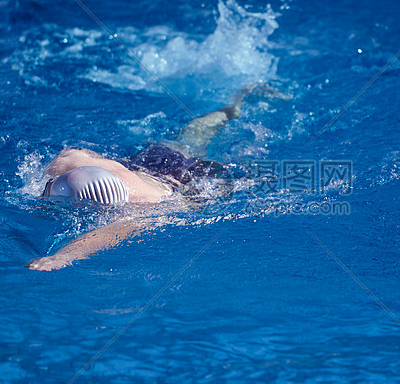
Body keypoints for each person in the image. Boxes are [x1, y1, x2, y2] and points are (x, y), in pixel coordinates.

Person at [27, 83, 278, 271]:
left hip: (178, 177)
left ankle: (238, 102)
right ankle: (233, 104)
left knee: (213, 173)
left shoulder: (142, 204)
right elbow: (69, 155)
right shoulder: (71, 162)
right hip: (144, 163)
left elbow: (105, 236)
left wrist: (63, 257)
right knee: (192, 132)